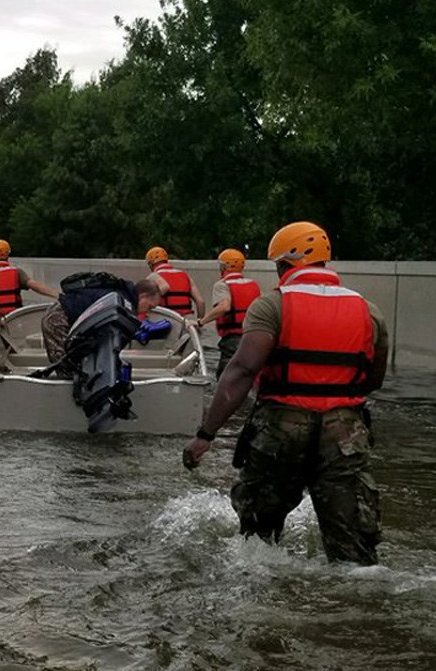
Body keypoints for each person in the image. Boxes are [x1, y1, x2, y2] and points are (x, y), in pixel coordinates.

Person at [183, 221, 389, 565]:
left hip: (281, 429)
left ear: (283, 265)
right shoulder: (368, 310)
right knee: (353, 553)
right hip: (345, 433)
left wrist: (206, 434)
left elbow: (242, 371)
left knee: (258, 543)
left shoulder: (272, 306)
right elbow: (373, 379)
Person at [40, 277, 162, 374]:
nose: (148, 312)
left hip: (64, 314)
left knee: (80, 368)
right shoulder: (123, 303)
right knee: (68, 369)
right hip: (58, 318)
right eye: (150, 307)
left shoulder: (122, 296)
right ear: (143, 296)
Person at [193, 249, 263, 378]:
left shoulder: (222, 285)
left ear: (224, 266)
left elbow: (224, 307)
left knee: (226, 377)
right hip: (252, 336)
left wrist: (201, 322)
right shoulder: (253, 284)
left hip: (233, 338)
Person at [0, 239, 59, 317]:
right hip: (13, 317)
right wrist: (57, 295)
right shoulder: (16, 272)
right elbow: (34, 285)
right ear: (8, 254)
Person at [145, 246, 205, 318]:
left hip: (166, 318)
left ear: (151, 264)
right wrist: (199, 322)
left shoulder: (153, 276)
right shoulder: (185, 275)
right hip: (187, 319)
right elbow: (201, 302)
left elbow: (163, 289)